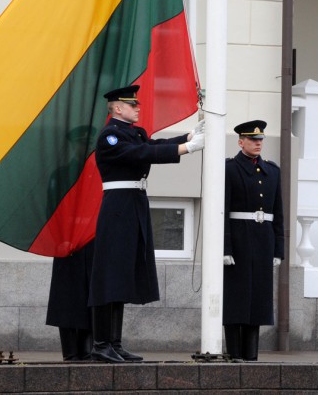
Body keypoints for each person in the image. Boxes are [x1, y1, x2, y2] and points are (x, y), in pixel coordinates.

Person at [87, 85, 204, 363]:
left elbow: (150, 146)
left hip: (134, 204)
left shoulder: (133, 133)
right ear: (117, 108)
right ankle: (101, 344)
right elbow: (139, 155)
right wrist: (187, 148)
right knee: (110, 278)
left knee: (123, 276)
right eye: (132, 105)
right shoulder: (110, 136)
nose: (138, 107)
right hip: (118, 207)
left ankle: (114, 343)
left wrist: (189, 135)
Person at [222, 120, 284, 361]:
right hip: (238, 240)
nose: (258, 143)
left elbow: (278, 212)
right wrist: (225, 247)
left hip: (263, 240)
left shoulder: (272, 171)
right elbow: (223, 210)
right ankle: (234, 353)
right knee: (236, 298)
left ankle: (251, 355)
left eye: (260, 140)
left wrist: (278, 248)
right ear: (241, 142)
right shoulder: (229, 169)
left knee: (258, 299)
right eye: (252, 140)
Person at [45, 125, 98, 361]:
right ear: (74, 146)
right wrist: (61, 238)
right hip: (67, 244)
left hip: (94, 243)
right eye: (80, 144)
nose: (84, 148)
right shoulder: (62, 174)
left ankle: (87, 349)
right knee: (67, 300)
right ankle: (70, 352)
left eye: (88, 144)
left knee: (92, 297)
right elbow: (52, 211)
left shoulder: (100, 174)